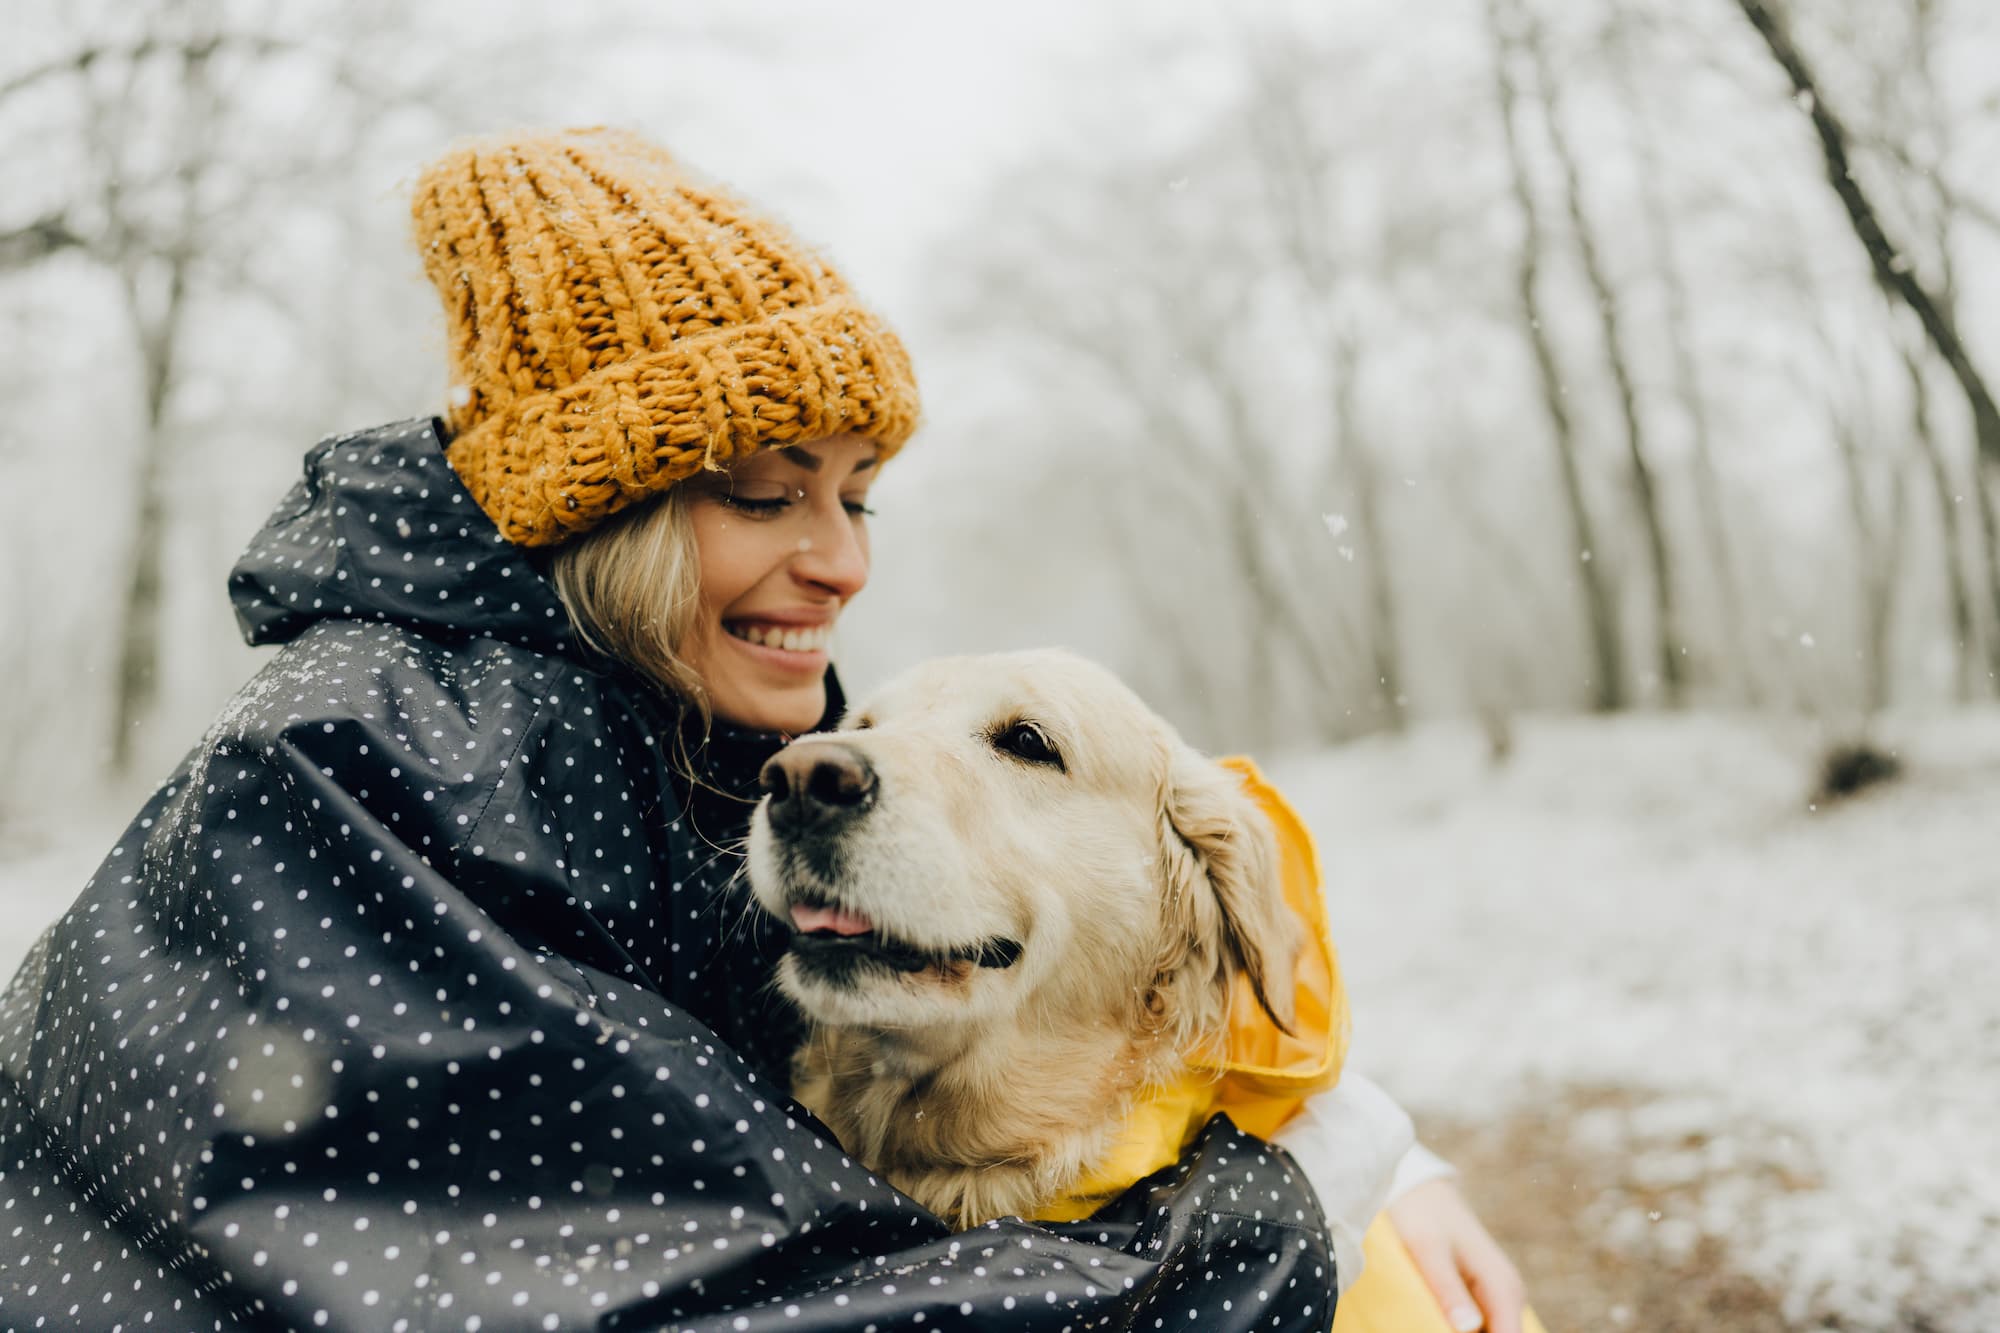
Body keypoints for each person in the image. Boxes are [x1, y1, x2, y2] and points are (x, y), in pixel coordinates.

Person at [0, 127, 1527, 1331]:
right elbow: (717, 1294)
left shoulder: (685, 720)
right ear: (606, 504)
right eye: (764, 492)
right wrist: (1279, 1234)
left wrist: (1358, 1126)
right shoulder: (359, 769)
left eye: (857, 495)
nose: (846, 559)